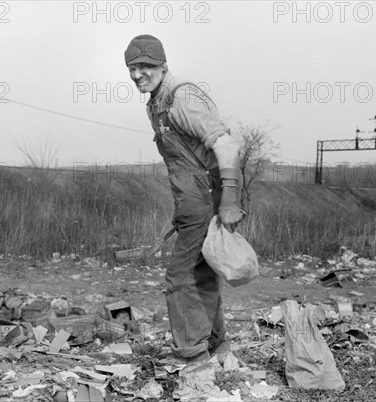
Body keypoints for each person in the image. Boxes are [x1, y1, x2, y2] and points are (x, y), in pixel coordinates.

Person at [124, 34, 244, 362]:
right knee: (202, 274)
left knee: (180, 278)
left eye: (146, 66)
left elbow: (227, 146)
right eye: (132, 68)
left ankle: (191, 357)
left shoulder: (182, 97)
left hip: (207, 199)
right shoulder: (157, 101)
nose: (137, 75)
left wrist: (230, 201)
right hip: (194, 202)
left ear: (164, 65)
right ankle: (218, 349)